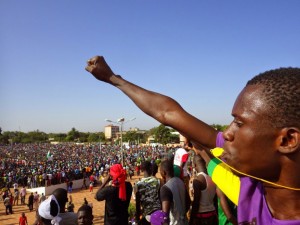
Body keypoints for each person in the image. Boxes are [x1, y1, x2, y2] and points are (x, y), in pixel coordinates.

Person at [86, 56, 300, 223]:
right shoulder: (248, 188)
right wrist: (113, 78)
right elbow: (167, 113)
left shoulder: (245, 188)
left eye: (240, 123)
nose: (226, 133)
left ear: (288, 140)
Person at [159, 159, 190, 225]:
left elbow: (165, 216)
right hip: (184, 221)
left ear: (164, 172)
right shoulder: (181, 182)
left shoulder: (165, 188)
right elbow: (188, 202)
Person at [189, 154, 218, 225]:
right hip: (213, 215)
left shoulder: (197, 180)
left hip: (201, 218)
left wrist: (191, 219)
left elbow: (196, 202)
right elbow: (215, 200)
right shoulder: (212, 178)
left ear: (194, 165)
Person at [135, 161, 161, 225]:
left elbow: (138, 204)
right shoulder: (158, 181)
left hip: (146, 214)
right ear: (151, 168)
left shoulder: (138, 185)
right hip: (158, 213)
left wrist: (137, 218)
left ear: (141, 170)